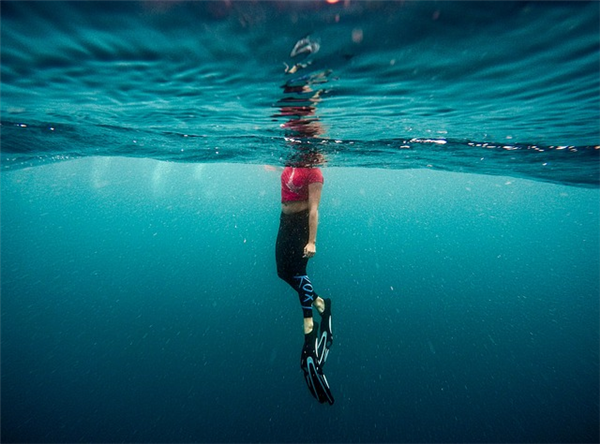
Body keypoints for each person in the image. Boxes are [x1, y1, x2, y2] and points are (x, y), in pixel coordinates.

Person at [275, 156, 334, 405]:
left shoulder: (315, 173)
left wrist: (312, 241)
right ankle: (322, 305)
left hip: (300, 226)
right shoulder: (291, 159)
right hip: (284, 221)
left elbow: (314, 209)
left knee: (298, 273)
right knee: (282, 272)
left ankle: (309, 334)